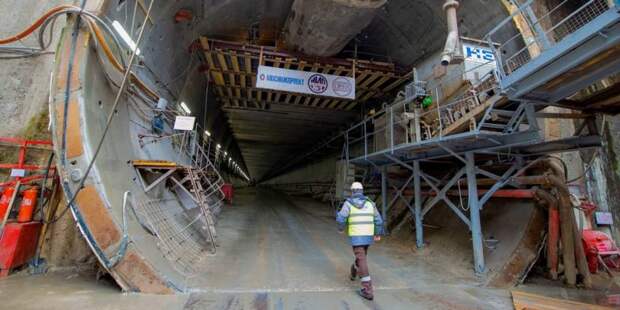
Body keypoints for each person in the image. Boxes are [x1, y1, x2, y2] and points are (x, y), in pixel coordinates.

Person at [336, 182, 384, 300]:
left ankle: (367, 290)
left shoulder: (348, 204)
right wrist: (377, 233)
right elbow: (378, 220)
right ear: (362, 191)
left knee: (362, 259)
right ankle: (354, 269)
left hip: (357, 236)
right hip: (367, 236)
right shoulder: (370, 203)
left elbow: (341, 218)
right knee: (362, 256)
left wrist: (341, 229)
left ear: (352, 192)